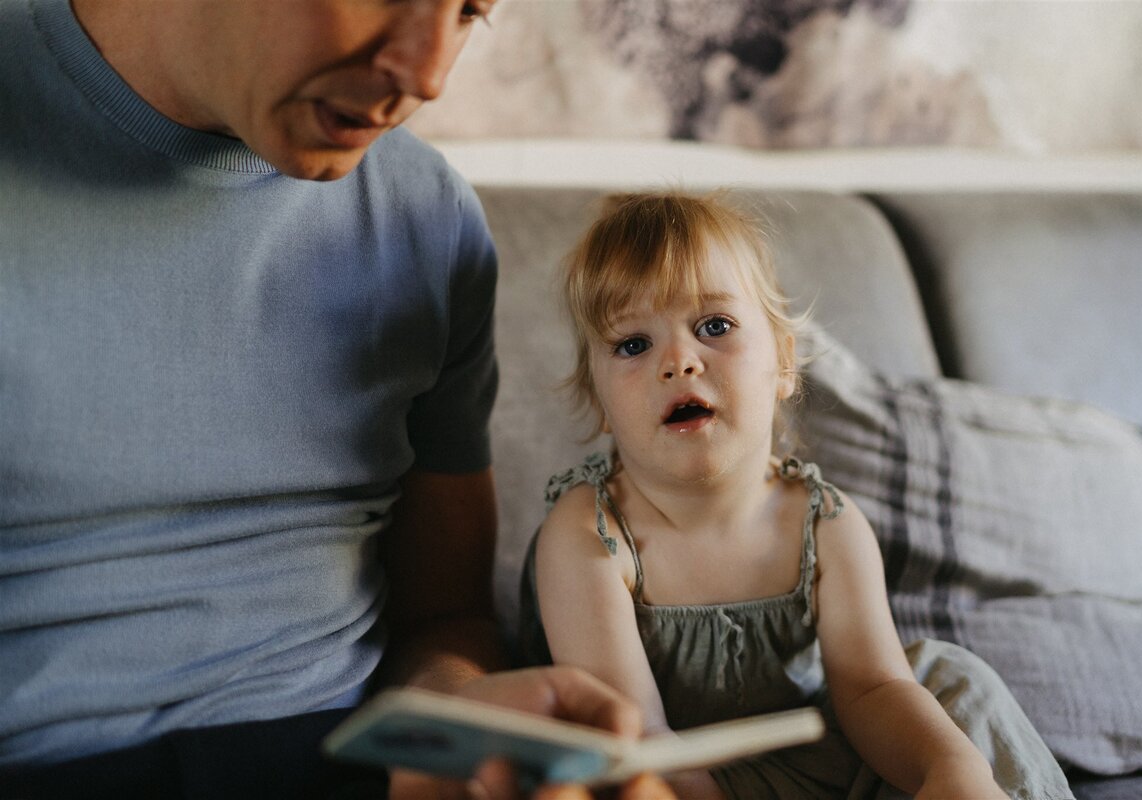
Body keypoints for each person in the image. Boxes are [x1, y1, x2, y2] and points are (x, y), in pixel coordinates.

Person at [0, 1, 675, 798]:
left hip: (350, 763)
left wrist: (455, 734)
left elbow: (443, 619)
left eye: (468, 12)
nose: (428, 73)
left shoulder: (428, 219)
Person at [518, 192, 1077, 799]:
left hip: (829, 766)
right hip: (679, 783)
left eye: (714, 326)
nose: (678, 361)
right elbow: (636, 741)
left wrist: (951, 768)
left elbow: (871, 691)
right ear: (600, 402)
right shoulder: (591, 537)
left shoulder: (824, 523)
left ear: (785, 363)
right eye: (633, 344)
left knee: (953, 682)